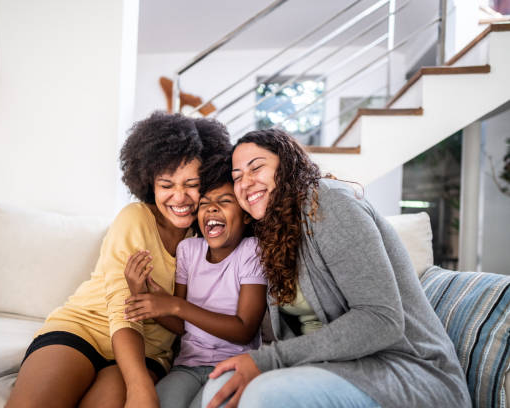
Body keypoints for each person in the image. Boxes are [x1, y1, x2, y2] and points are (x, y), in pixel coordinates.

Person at [201, 128, 471, 408]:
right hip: (332, 367)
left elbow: (381, 319)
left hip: (404, 371)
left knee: (263, 395)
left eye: (256, 167)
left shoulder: (329, 203)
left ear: (287, 165)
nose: (245, 182)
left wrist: (269, 360)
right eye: (237, 177)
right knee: (220, 389)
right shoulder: (272, 234)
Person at [5, 112, 231, 408]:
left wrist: (157, 301)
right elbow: (121, 308)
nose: (180, 197)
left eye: (192, 184)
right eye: (167, 185)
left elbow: (189, 323)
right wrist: (139, 388)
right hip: (84, 328)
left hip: (149, 352)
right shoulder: (135, 218)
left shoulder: (209, 237)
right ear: (150, 183)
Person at [123, 155, 268, 408]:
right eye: (204, 203)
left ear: (246, 216)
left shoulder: (251, 251)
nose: (211, 208)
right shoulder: (188, 250)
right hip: (187, 366)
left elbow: (245, 329)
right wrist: (147, 297)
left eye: (224, 201)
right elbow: (181, 325)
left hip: (233, 364)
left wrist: (175, 306)